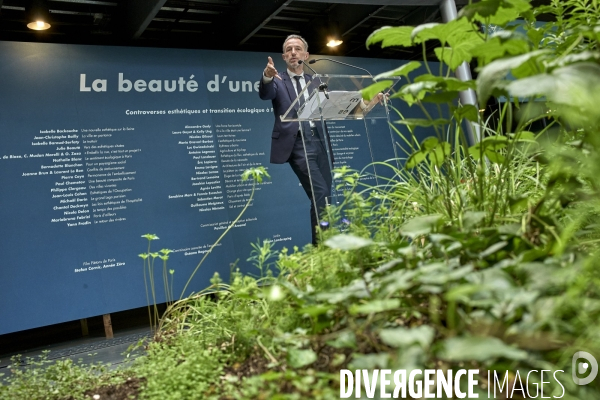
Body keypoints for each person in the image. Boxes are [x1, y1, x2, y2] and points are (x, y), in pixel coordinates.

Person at [259, 34, 333, 245]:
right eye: (289, 49)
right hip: (298, 145)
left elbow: (332, 106)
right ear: (283, 56)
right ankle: (323, 252)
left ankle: (325, 249)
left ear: (306, 55)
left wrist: (367, 104)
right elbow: (265, 93)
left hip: (321, 143)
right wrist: (266, 75)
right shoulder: (277, 80)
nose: (293, 52)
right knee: (321, 193)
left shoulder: (316, 81)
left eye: (297, 49)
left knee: (324, 198)